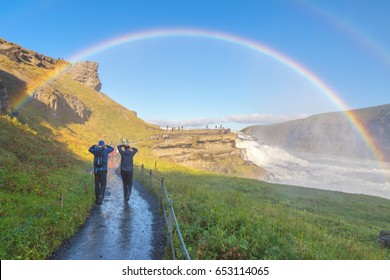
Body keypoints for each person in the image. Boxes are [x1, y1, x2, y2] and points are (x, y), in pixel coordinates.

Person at [88, 140, 114, 205]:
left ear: (98, 144)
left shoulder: (95, 150)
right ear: (103, 145)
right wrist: (107, 146)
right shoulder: (106, 150)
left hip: (96, 170)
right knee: (103, 184)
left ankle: (97, 198)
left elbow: (89, 149)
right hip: (103, 170)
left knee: (97, 184)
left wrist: (94, 146)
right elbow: (112, 149)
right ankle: (101, 196)